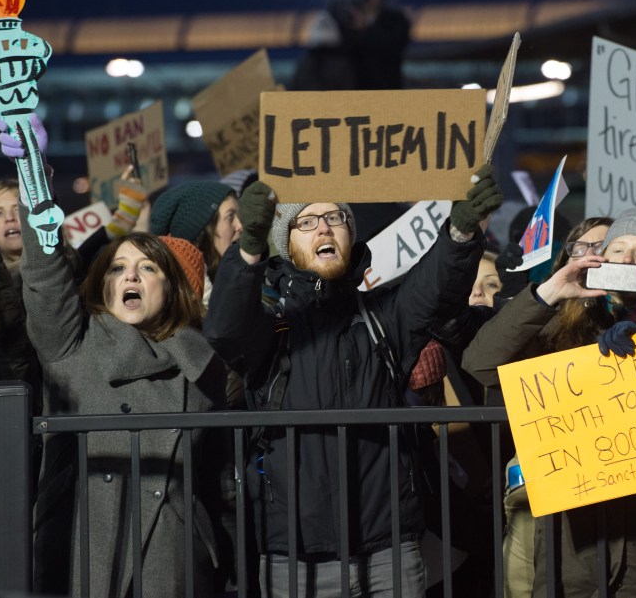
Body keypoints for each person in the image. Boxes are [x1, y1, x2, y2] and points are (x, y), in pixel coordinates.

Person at [204, 166, 502, 598]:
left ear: (350, 234)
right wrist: (248, 248)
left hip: (390, 550)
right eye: (307, 221)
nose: (324, 227)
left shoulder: (383, 316)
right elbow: (225, 327)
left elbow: (435, 289)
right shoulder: (270, 327)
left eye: (336, 218)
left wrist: (460, 232)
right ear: (286, 243)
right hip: (296, 554)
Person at [0, 131, 229, 597]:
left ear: (171, 288)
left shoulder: (202, 363)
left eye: (149, 268)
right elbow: (44, 273)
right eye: (119, 267)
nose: (131, 275)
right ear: (104, 286)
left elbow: (220, 476)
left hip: (176, 553)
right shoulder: (73, 343)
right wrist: (32, 177)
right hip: (91, 544)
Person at [462, 208, 636, 598]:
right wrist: (550, 292)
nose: (625, 259)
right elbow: (481, 365)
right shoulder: (562, 330)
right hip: (569, 544)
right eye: (617, 249)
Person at [150, 180, 240, 307]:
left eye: (239, 216)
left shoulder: (231, 275)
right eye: (230, 217)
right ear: (204, 230)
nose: (240, 226)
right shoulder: (183, 305)